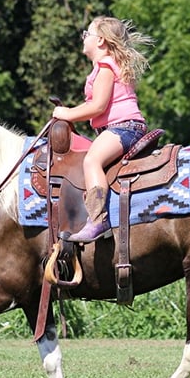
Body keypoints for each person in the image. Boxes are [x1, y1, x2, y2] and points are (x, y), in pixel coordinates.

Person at [52, 16, 154, 243]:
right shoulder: (106, 66)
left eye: (86, 34)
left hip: (123, 128)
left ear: (100, 41)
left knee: (91, 161)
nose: (83, 38)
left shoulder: (106, 66)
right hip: (123, 128)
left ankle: (98, 220)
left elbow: (97, 106)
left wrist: (66, 113)